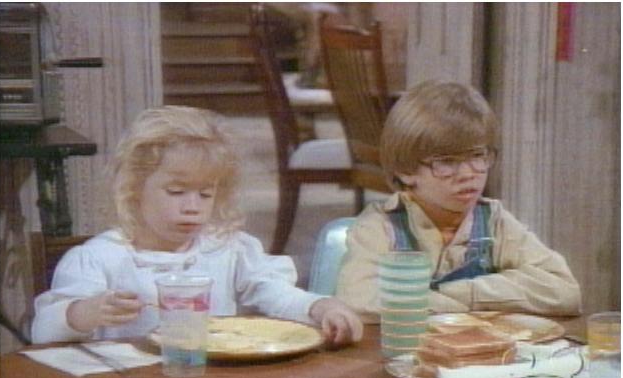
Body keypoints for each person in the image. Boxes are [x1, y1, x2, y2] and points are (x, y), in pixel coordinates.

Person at [32, 106, 363, 345]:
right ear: (134, 189)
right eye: (176, 192)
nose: (192, 207)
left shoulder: (227, 249)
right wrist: (85, 312)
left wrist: (319, 306)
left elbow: (276, 294)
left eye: (205, 194)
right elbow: (42, 333)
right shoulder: (100, 258)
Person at [336, 80, 581, 322]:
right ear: (405, 170)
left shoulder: (494, 221)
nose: (467, 174)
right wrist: (488, 297)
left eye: (477, 156)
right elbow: (357, 301)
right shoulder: (382, 226)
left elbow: (564, 291)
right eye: (446, 162)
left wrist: (457, 294)